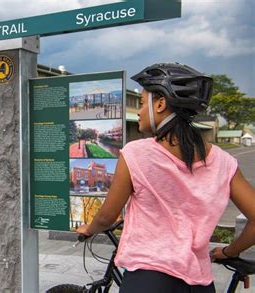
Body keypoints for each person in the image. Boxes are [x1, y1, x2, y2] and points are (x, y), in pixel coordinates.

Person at [76, 63, 255, 293]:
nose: (139, 112)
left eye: (141, 104)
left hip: (148, 280)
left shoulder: (136, 153)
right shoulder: (224, 161)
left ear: (160, 104)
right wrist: (229, 251)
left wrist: (89, 229)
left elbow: (107, 216)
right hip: (200, 284)